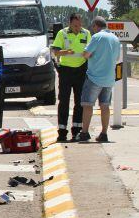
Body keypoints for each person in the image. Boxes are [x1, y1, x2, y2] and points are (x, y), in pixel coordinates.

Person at [77, 16, 121, 143]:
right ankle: (104, 134)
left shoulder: (96, 37)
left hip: (94, 77)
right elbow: (117, 58)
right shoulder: (115, 39)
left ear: (96, 25)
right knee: (105, 106)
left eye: (93, 27)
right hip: (109, 79)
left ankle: (84, 133)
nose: (93, 29)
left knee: (87, 105)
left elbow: (86, 54)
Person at [51, 13, 91, 142]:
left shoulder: (86, 33)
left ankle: (77, 131)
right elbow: (55, 51)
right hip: (66, 71)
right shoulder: (62, 33)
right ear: (70, 23)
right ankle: (62, 131)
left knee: (80, 102)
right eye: (75, 26)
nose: (77, 28)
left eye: (79, 25)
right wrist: (66, 52)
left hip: (81, 71)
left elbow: (91, 51)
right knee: (64, 101)